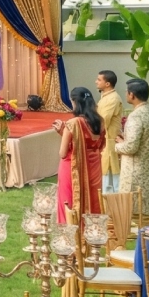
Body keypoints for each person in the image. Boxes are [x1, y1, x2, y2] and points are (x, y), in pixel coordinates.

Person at [54, 87, 105, 223]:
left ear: (75, 102)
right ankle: (89, 235)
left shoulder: (73, 123)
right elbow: (99, 146)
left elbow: (63, 153)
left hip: (72, 167)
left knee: (69, 202)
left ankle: (70, 236)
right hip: (93, 168)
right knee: (91, 200)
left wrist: (63, 133)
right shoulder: (100, 122)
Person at [117, 78, 149, 226]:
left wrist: (117, 145)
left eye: (127, 92)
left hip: (137, 176)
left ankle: (143, 249)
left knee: (140, 220)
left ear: (132, 95)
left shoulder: (136, 116)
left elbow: (131, 147)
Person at [96, 70, 124, 194]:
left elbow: (102, 121)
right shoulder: (106, 97)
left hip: (109, 143)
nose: (96, 82)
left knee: (110, 183)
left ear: (107, 84)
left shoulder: (112, 99)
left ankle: (113, 210)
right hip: (105, 142)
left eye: (99, 80)